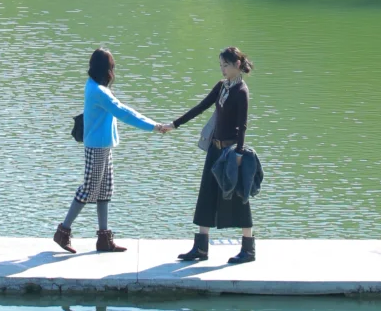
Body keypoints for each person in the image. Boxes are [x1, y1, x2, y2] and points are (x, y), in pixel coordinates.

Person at [54, 46, 169, 254]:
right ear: (105, 69)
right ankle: (63, 231)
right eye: (112, 67)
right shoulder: (98, 92)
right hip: (96, 146)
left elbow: (120, 110)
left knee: (105, 190)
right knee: (89, 189)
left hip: (104, 145)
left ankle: (104, 238)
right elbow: (124, 112)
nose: (113, 71)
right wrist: (154, 125)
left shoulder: (95, 86)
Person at [166, 46, 257, 264]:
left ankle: (248, 249)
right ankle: (201, 247)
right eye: (220, 66)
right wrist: (174, 125)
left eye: (225, 65)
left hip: (231, 151)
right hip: (215, 149)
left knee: (238, 196)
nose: (222, 70)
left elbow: (242, 126)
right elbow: (200, 107)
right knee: (206, 194)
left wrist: (239, 154)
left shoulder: (241, 91)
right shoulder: (222, 87)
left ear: (237, 65)